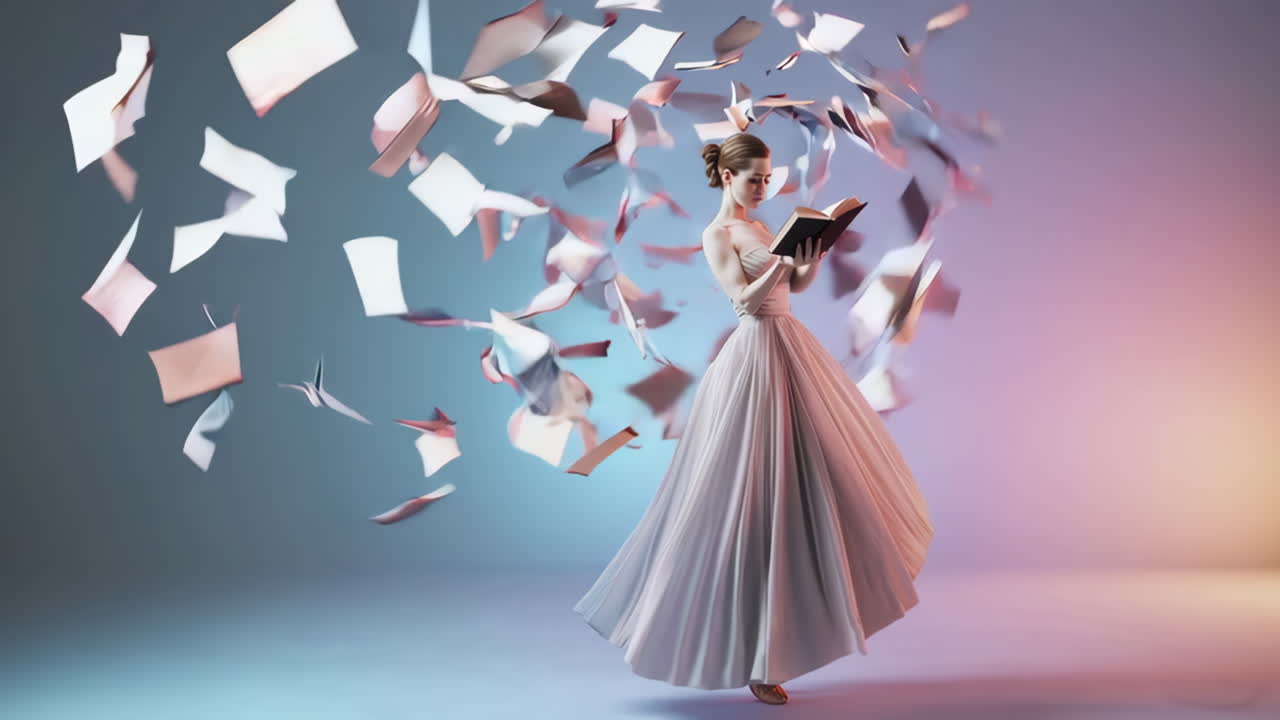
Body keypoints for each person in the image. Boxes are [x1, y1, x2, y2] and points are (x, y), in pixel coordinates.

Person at [573, 132, 933, 705]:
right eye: (755, 178)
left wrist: (808, 261)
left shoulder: (765, 228)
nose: (765, 187)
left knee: (815, 484)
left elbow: (791, 287)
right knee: (751, 499)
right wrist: (783, 263)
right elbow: (744, 301)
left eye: (769, 178)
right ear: (727, 176)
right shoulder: (716, 233)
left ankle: (793, 636)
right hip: (755, 356)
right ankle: (756, 658)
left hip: (792, 344)